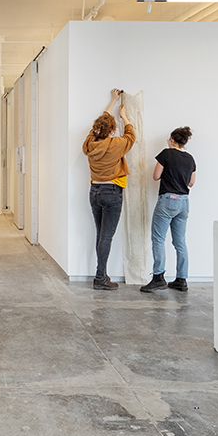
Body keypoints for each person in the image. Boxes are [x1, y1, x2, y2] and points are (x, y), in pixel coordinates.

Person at [82, 88, 136, 290]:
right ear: (112, 131)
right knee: (106, 236)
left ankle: (101, 274)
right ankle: (100, 277)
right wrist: (124, 116)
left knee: (100, 234)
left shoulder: (90, 143)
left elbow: (98, 126)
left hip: (94, 192)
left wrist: (112, 103)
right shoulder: (116, 144)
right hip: (112, 192)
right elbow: (131, 136)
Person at [142, 127, 196, 293]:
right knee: (180, 242)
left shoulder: (166, 154)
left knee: (158, 239)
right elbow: (191, 183)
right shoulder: (190, 158)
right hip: (184, 202)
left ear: (172, 139)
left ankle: (158, 277)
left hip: (168, 200)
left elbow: (156, 176)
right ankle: (181, 279)